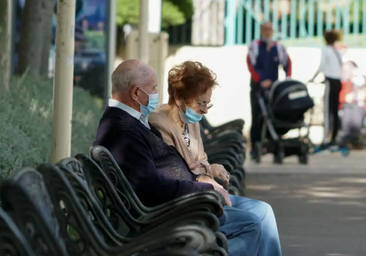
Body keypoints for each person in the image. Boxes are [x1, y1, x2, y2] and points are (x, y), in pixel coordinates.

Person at [93, 59, 281, 256]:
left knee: (259, 215)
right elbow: (150, 186)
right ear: (136, 93)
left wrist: (203, 186)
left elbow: (161, 171)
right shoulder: (124, 129)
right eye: (154, 88)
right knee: (250, 224)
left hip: (183, 202)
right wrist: (204, 188)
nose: (158, 94)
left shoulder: (130, 123)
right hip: (170, 214)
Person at [149, 61, 282, 256]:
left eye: (207, 103)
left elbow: (198, 160)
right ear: (179, 98)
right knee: (252, 222)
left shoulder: (189, 120)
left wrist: (211, 168)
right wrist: (203, 176)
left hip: (206, 191)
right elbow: (179, 170)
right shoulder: (159, 122)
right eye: (201, 103)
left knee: (264, 211)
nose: (205, 110)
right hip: (191, 200)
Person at [246, 21, 292, 158]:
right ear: (261, 31)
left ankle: (275, 145)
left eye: (270, 29)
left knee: (274, 117)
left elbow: (287, 63)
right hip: (258, 88)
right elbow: (250, 64)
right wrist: (260, 81)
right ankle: (256, 146)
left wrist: (288, 80)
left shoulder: (278, 47)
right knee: (257, 117)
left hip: (273, 89)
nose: (267, 32)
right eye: (265, 29)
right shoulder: (254, 46)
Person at [309, 30, 343, 147]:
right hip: (338, 82)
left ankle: (325, 139)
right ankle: (334, 136)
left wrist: (313, 78)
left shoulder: (326, 50)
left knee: (328, 110)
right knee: (335, 110)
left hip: (331, 81)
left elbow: (322, 66)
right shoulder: (336, 51)